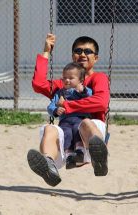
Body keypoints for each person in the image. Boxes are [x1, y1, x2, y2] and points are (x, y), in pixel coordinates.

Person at [27, 33, 110, 187]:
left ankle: (99, 157)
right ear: (73, 56)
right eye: (78, 51)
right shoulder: (64, 83)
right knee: (49, 128)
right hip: (67, 144)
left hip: (89, 139)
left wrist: (67, 106)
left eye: (88, 51)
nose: (82, 54)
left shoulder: (98, 78)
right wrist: (46, 51)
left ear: (96, 58)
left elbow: (101, 102)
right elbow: (38, 84)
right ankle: (49, 166)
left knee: (85, 122)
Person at [47, 62, 92, 169]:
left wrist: (83, 91)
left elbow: (90, 97)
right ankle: (69, 156)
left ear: (80, 80)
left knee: (77, 130)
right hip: (65, 121)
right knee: (65, 133)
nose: (67, 80)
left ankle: (80, 152)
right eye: (65, 78)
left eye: (71, 78)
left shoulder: (83, 90)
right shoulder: (60, 93)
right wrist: (56, 110)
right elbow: (50, 106)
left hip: (80, 118)